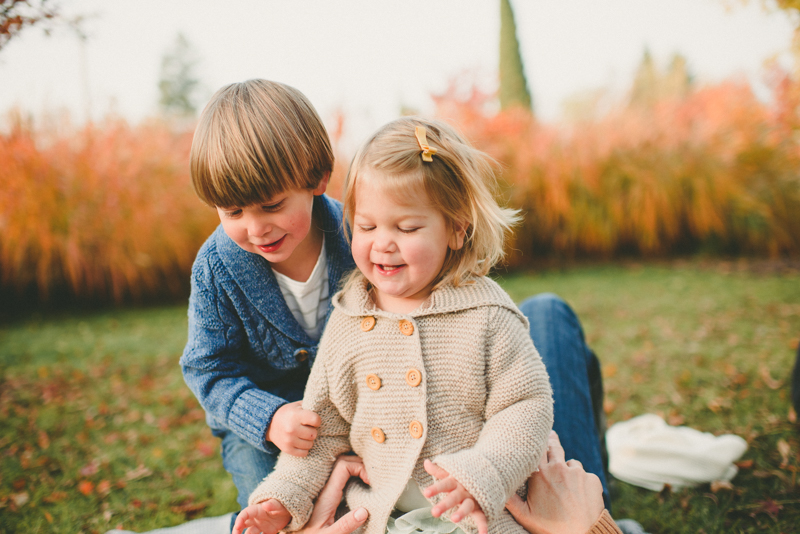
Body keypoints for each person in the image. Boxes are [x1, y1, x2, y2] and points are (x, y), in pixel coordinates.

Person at [234, 117, 554, 534]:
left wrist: (484, 472)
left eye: (407, 228)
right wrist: (283, 496)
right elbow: (322, 431)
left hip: (479, 516)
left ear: (456, 229)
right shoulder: (349, 322)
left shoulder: (487, 315)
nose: (383, 242)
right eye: (367, 226)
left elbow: (525, 406)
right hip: (383, 521)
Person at [180, 79, 355, 520]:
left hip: (353, 406)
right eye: (233, 212)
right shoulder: (217, 268)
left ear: (317, 178)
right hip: (259, 428)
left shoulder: (357, 237)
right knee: (271, 514)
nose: (255, 229)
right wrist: (269, 419)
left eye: (272, 205)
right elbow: (208, 369)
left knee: (362, 505)